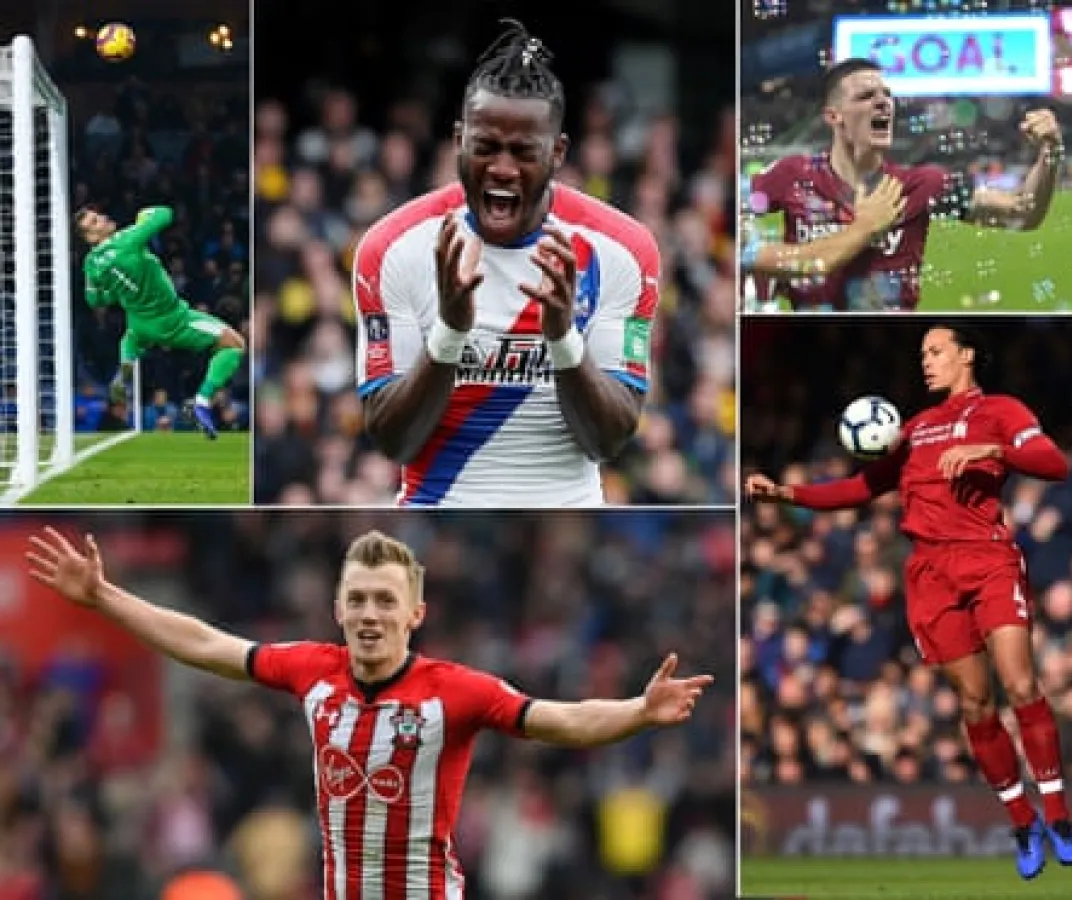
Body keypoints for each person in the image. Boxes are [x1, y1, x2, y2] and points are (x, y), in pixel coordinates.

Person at [25, 526, 713, 899]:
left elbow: (562, 720)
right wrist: (105, 599)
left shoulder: (458, 690)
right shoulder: (311, 670)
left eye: (385, 600)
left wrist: (638, 712)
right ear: (337, 610)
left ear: (415, 614)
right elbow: (205, 643)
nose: (369, 614)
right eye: (356, 599)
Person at [744, 324, 1072, 879]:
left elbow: (1054, 463)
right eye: (922, 353)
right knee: (975, 704)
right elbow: (858, 488)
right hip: (930, 574)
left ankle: (1060, 816)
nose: (925, 361)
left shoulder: (1001, 410)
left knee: (1019, 683)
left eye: (936, 351)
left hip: (987, 558)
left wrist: (991, 449)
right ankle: (1022, 822)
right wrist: (788, 493)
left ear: (966, 354)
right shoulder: (914, 430)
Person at [355, 19, 657, 506]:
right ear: (459, 140)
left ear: (557, 152)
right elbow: (393, 442)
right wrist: (450, 333)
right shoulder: (392, 248)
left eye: (523, 151)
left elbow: (609, 441)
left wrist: (562, 339)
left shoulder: (621, 250)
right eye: (485, 147)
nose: (501, 168)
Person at [745, 58, 1064, 310]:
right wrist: (764, 265)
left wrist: (1051, 150)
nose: (883, 102)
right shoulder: (793, 175)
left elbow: (1024, 213)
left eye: (887, 95)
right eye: (866, 96)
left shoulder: (922, 185)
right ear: (834, 116)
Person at [77, 205, 246, 439]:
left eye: (98, 216)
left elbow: (94, 299)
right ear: (90, 237)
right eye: (95, 222)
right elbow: (166, 214)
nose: (103, 218)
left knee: (132, 339)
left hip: (138, 324)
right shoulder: (128, 239)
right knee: (235, 344)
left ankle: (125, 368)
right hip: (172, 319)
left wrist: (118, 291)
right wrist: (143, 217)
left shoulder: (91, 263)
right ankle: (201, 402)